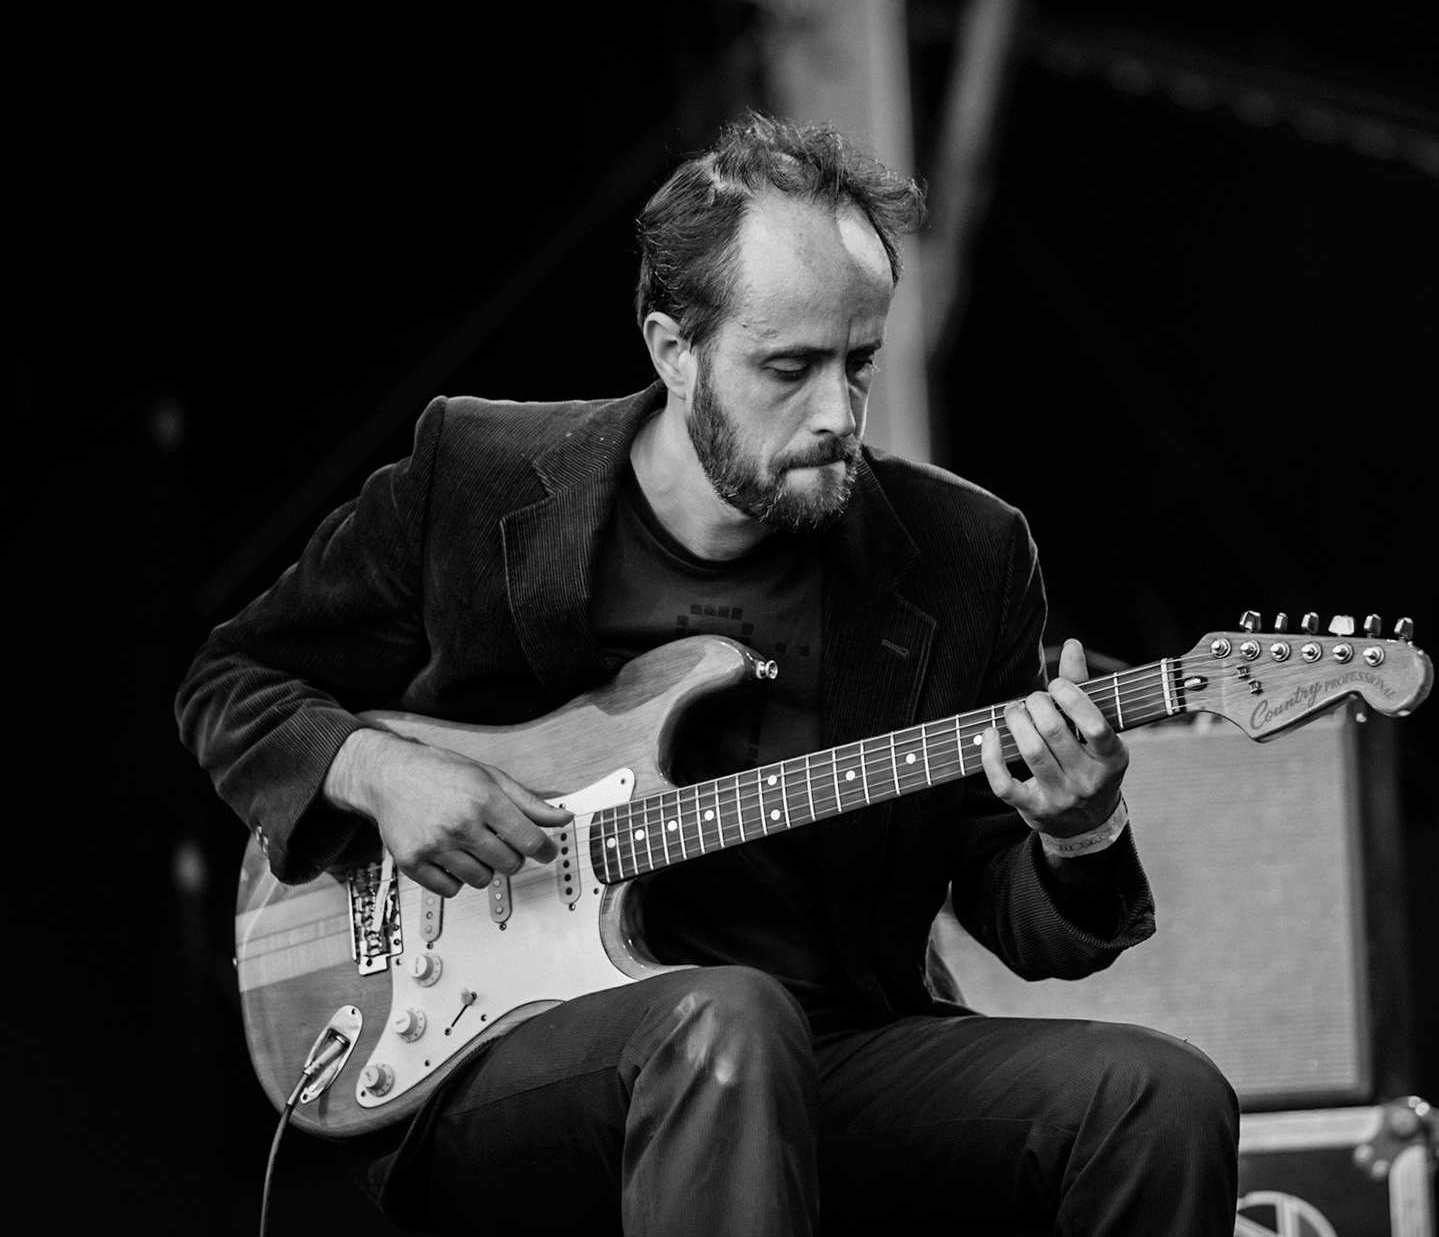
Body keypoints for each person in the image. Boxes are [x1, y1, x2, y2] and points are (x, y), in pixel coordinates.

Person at [178, 112, 1239, 1235]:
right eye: (791, 366)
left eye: (860, 361)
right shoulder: (476, 479)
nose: (839, 413)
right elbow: (231, 679)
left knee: (1157, 1097)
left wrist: (1075, 829)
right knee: (728, 1021)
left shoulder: (966, 555)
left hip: (835, 1048)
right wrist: (377, 768)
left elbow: (1008, 906)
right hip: (502, 1057)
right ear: (672, 347)